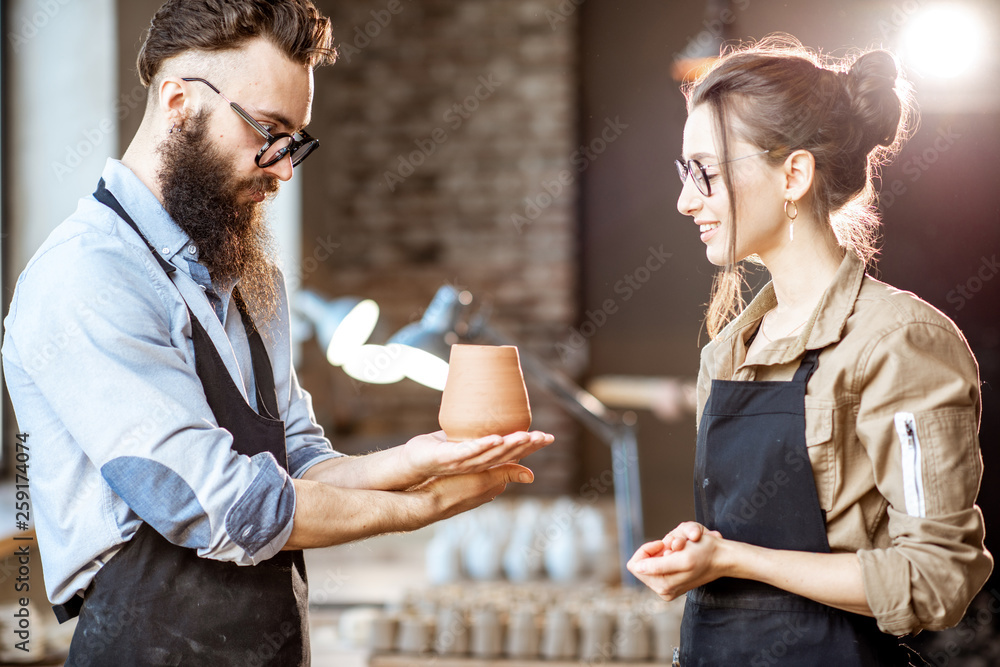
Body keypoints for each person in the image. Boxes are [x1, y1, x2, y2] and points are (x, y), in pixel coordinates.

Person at [1, 1, 553, 664]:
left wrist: (408, 462)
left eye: (295, 141)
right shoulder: (87, 278)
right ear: (178, 101)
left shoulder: (252, 278)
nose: (284, 168)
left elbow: (296, 461)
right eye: (268, 131)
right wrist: (417, 507)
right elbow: (217, 506)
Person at [626, 36, 991, 665]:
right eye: (684, 174)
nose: (686, 201)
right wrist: (707, 548)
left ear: (793, 174)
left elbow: (935, 581)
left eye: (706, 172)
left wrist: (737, 558)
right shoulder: (729, 351)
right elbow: (747, 537)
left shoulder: (899, 342)